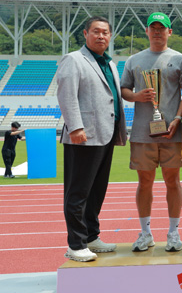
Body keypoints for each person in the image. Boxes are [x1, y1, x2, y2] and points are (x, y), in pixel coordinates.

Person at [56, 16, 128, 262]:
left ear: (110, 36)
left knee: (97, 191)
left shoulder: (110, 64)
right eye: (96, 31)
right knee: (78, 192)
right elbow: (67, 95)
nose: (101, 36)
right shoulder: (74, 59)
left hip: (106, 134)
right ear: (85, 33)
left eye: (105, 32)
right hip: (83, 136)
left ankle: (91, 236)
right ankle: (75, 244)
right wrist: (75, 127)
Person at [121, 12, 182, 253]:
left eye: (163, 28)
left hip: (171, 132)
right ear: (147, 31)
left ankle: (173, 232)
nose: (158, 31)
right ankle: (146, 233)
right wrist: (136, 96)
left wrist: (178, 119)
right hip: (142, 132)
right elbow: (124, 90)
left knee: (173, 180)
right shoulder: (134, 60)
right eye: (154, 27)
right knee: (145, 182)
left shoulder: (181, 60)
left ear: (170, 32)